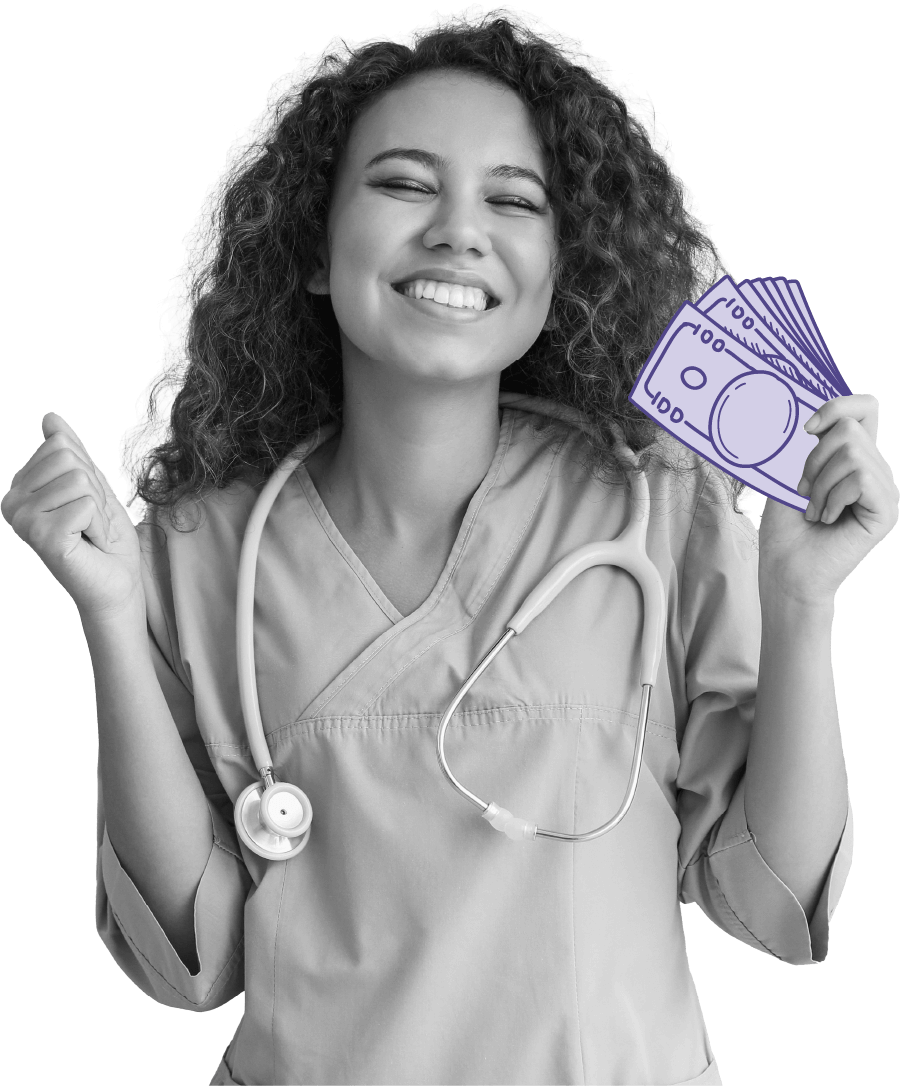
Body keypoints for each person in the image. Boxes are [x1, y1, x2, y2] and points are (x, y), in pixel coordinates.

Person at [2, 9, 896, 1085]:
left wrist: (801, 602)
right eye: (403, 184)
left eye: (513, 200)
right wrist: (104, 609)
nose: (459, 232)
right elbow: (190, 963)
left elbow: (772, 902)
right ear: (313, 252)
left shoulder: (656, 510)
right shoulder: (201, 545)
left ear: (562, 271)